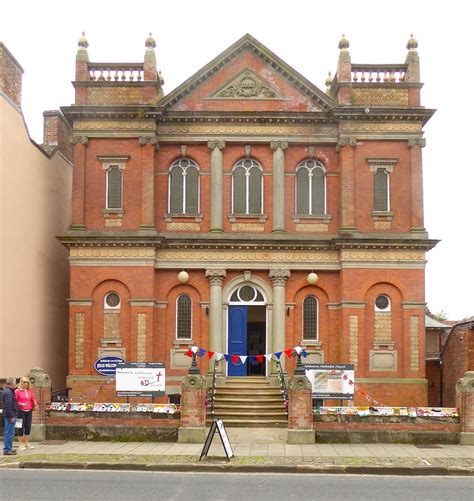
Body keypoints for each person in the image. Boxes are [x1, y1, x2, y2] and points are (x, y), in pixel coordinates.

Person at [15, 377, 38, 450]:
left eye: (27, 382)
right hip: (19, 412)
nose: (25, 384)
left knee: (28, 427)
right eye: (24, 382)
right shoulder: (17, 391)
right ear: (21, 383)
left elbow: (33, 399)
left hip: (29, 411)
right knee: (20, 427)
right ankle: (20, 445)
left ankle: (26, 443)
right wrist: (20, 403)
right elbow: (14, 401)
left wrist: (35, 404)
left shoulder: (29, 391)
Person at [2, 377, 19, 455]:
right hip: (10, 416)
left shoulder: (8, 391)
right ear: (12, 383)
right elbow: (8, 405)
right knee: (9, 433)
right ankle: (7, 450)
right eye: (15, 382)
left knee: (8, 432)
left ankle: (8, 449)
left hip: (9, 415)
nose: (16, 384)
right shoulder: (9, 392)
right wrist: (11, 416)